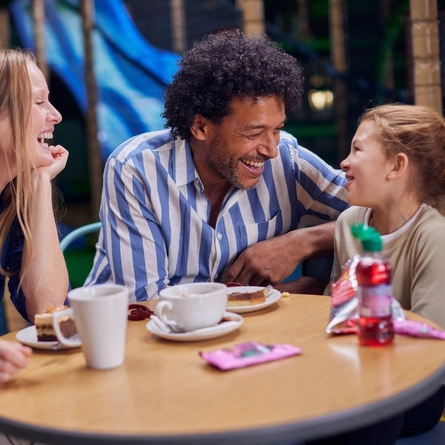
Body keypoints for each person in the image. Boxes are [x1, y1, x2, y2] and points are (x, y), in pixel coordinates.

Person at [85, 30, 349, 301]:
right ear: (201, 127)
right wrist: (268, 295)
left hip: (239, 337)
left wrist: (301, 243)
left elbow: (385, 214)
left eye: (277, 129)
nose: (271, 149)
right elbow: (145, 303)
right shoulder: (137, 168)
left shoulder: (287, 160)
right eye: (254, 133)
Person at [314, 103, 445, 444]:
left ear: (396, 166)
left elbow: (431, 346)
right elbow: (334, 311)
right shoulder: (349, 224)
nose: (344, 162)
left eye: (357, 149)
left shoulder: (433, 237)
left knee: (366, 422)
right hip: (355, 371)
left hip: (417, 388)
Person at [0, 48, 69, 382]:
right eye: (39, 102)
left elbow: (46, 310)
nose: (55, 115)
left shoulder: (11, 200)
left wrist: (40, 181)